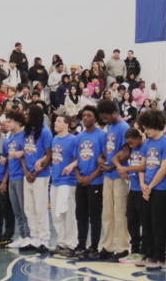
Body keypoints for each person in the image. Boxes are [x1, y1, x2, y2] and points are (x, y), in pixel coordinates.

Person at [138, 109, 166, 270]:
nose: (146, 131)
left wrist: (150, 187)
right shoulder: (147, 142)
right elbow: (142, 165)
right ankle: (149, 254)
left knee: (158, 224)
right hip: (147, 189)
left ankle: (160, 257)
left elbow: (164, 169)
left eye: (148, 128)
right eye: (144, 128)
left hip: (161, 189)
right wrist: (142, 185)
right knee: (146, 223)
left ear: (157, 125)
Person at [97, 99, 132, 261]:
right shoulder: (110, 126)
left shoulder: (124, 127)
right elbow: (110, 149)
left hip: (119, 175)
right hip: (108, 176)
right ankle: (107, 246)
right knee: (108, 214)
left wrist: (113, 167)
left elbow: (127, 152)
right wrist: (101, 157)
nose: (104, 120)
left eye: (106, 117)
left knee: (120, 213)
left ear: (114, 113)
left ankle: (123, 247)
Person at [71, 106, 107, 258]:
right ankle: (81, 244)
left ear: (96, 118)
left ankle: (93, 246)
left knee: (95, 216)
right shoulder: (79, 137)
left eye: (89, 115)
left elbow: (104, 159)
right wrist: (79, 176)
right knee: (81, 214)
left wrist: (91, 178)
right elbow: (75, 159)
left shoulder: (102, 136)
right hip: (81, 181)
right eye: (83, 115)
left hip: (96, 181)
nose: (85, 118)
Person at [21, 105, 53, 252]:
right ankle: (35, 238)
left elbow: (49, 155)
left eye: (28, 113)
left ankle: (45, 240)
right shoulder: (26, 131)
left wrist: (35, 173)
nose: (25, 115)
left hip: (40, 175)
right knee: (29, 208)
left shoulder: (45, 132)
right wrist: (27, 172)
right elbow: (23, 154)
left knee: (40, 208)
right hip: (27, 175)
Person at [47, 114, 80, 257]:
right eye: (55, 121)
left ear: (67, 124)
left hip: (68, 181)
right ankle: (61, 242)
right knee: (57, 214)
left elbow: (80, 158)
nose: (56, 123)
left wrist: (72, 165)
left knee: (69, 214)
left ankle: (72, 244)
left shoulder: (73, 139)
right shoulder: (55, 139)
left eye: (59, 121)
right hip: (55, 181)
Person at [114, 127, 147, 263]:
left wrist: (127, 168)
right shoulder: (131, 148)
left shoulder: (144, 148)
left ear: (139, 139)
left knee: (144, 222)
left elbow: (143, 167)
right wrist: (119, 168)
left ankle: (144, 251)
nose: (130, 146)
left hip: (143, 190)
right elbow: (115, 158)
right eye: (128, 143)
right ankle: (134, 250)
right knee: (132, 221)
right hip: (132, 188)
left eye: (132, 143)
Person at [4, 110, 33, 249]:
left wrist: (21, 152)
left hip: (21, 175)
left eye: (9, 121)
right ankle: (22, 235)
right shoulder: (10, 136)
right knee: (16, 209)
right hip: (12, 176)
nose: (6, 123)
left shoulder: (25, 135)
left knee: (24, 208)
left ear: (18, 122)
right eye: (6, 121)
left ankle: (29, 235)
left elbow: (31, 151)